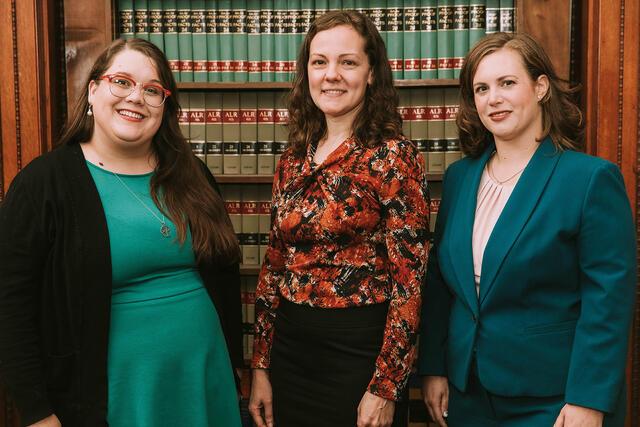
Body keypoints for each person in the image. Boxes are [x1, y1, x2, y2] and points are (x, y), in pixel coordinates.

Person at [0, 38, 243, 427]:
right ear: (93, 91)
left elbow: (225, 278)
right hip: (118, 393)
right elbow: (10, 306)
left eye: (152, 90)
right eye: (122, 82)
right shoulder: (44, 183)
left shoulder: (192, 175)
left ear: (165, 108)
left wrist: (235, 368)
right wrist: (37, 413)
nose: (136, 98)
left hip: (203, 377)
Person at [418, 32, 636, 427]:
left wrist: (589, 399)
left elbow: (608, 302)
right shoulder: (459, 179)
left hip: (554, 401)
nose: (493, 99)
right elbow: (440, 284)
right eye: (481, 88)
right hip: (467, 394)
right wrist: (434, 367)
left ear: (540, 87)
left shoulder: (589, 179)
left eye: (507, 83)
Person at [247, 10, 429, 427]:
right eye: (319, 61)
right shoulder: (292, 159)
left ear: (371, 74)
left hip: (359, 355)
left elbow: (410, 282)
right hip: (290, 353)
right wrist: (261, 367)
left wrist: (386, 388)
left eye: (347, 62)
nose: (331, 75)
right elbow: (273, 267)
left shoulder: (395, 157)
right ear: (306, 72)